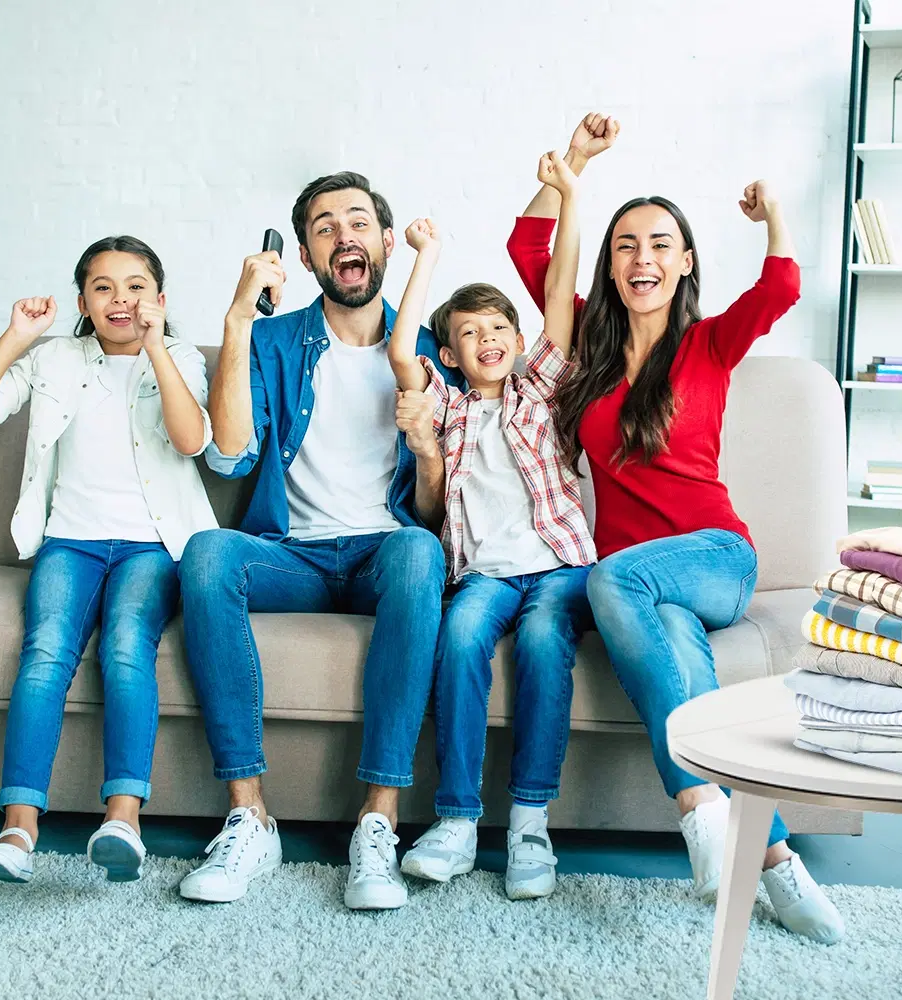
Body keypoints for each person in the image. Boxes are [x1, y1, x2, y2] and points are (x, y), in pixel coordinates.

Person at [505, 115, 845, 943]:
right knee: (680, 657)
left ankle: (695, 801)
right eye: (625, 245)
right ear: (609, 265)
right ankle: (775, 861)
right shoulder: (583, 344)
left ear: (685, 261)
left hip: (715, 557)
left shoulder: (709, 343)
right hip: (639, 586)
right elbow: (528, 247)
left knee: (613, 577)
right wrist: (572, 165)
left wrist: (773, 214)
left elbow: (781, 288)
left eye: (660, 244)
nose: (642, 258)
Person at [177, 171, 459, 911]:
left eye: (358, 222)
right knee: (208, 552)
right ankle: (250, 817)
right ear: (304, 256)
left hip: (382, 555)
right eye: (325, 228)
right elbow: (229, 455)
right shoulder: (272, 340)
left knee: (419, 551)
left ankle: (378, 822)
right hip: (292, 554)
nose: (344, 237)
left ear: (387, 243)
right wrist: (237, 322)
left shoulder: (432, 350)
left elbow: (434, 516)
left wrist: (428, 451)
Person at [0, 235, 216, 885]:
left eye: (135, 286)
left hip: (153, 546)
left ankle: (122, 820)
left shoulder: (180, 356)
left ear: (159, 298)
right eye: (103, 288)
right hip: (71, 542)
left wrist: (155, 346)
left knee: (126, 647)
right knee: (45, 652)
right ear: (82, 302)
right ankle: (18, 830)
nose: (120, 299)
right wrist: (18, 337)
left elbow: (191, 441)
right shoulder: (56, 358)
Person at [385, 151, 595, 903]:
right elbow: (400, 348)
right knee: (461, 635)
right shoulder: (446, 407)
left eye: (500, 326)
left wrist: (571, 193)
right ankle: (458, 821)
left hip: (560, 566)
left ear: (518, 336)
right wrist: (426, 255)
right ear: (450, 354)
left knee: (542, 641)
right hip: (484, 574)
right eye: (470, 333)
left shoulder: (541, 389)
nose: (489, 339)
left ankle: (530, 823)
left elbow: (560, 292)